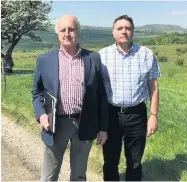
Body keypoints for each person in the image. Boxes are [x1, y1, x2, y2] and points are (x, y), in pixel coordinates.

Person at [32, 14, 108, 181]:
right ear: (57, 33)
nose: (67, 33)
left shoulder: (93, 58)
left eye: (71, 29)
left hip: (85, 123)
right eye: (63, 30)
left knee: (79, 175)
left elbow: (101, 95)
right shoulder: (44, 60)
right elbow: (37, 92)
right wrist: (41, 114)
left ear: (78, 32)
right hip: (55, 123)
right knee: (49, 176)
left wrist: (103, 128)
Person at [99, 15, 161, 181]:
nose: (124, 31)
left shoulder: (146, 54)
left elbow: (153, 87)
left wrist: (153, 116)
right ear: (113, 32)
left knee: (134, 161)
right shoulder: (102, 56)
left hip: (137, 115)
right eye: (120, 28)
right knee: (110, 161)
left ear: (133, 32)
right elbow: (96, 90)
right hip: (111, 115)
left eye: (128, 28)